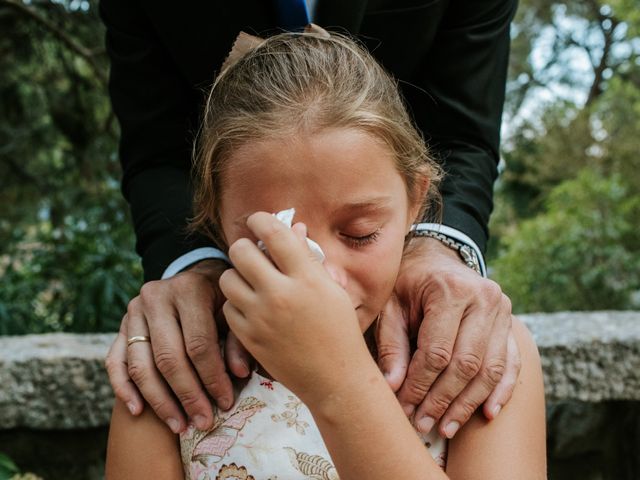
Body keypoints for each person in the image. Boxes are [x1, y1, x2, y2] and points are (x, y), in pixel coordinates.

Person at [105, 28, 546, 480]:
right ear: (215, 220)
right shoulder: (171, 359)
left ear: (416, 201)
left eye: (361, 234)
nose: (324, 281)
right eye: (273, 239)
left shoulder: (475, 350)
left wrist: (338, 385)